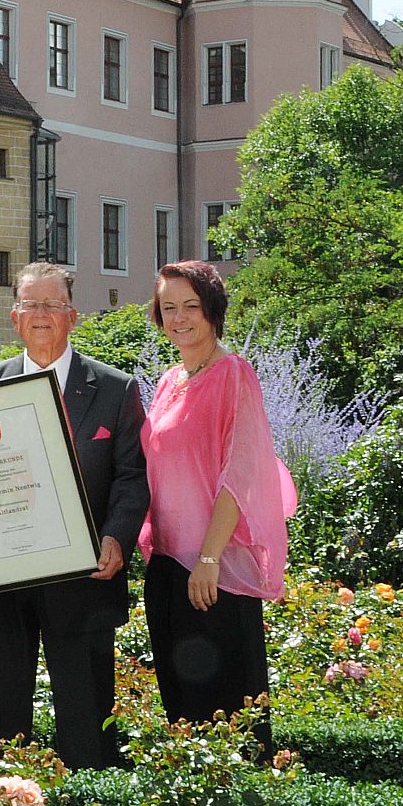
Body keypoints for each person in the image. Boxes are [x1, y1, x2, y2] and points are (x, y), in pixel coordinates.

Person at [0, 262, 148, 770]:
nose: (42, 315)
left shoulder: (114, 389)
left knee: (87, 731)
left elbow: (133, 476)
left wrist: (117, 538)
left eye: (53, 305)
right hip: (2, 581)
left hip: (83, 581)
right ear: (14, 317)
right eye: (31, 304)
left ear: (72, 316)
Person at [139, 260, 289, 757]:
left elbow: (241, 476)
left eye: (191, 307)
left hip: (213, 574)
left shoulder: (233, 375)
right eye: (168, 308)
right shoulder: (167, 383)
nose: (179, 318)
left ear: (212, 311)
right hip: (166, 567)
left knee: (230, 712)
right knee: (183, 710)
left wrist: (207, 558)